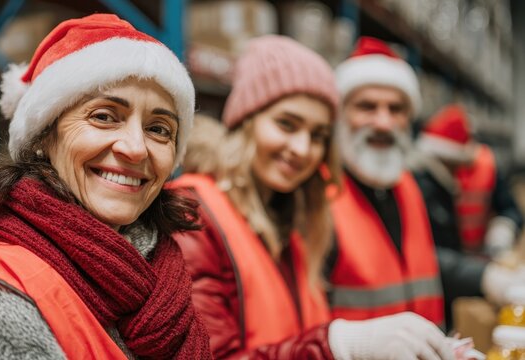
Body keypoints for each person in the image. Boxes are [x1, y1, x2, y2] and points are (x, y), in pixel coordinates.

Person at [0, 14, 211, 359]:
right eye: (103, 116)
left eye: (159, 129)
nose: (135, 147)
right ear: (44, 136)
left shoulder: (161, 271)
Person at [171, 35, 455, 360]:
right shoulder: (193, 215)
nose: (303, 149)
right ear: (246, 121)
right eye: (286, 124)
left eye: (318, 135)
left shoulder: (291, 215)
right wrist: (334, 345)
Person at [326, 36, 525, 330]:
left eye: (396, 109)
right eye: (367, 107)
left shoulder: (405, 186)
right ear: (340, 115)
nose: (384, 122)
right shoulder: (317, 196)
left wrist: (484, 277)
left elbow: (418, 260)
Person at [414, 104, 523, 258]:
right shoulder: (421, 178)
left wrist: (504, 227)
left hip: (481, 257)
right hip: (445, 265)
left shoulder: (487, 167)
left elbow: (510, 209)